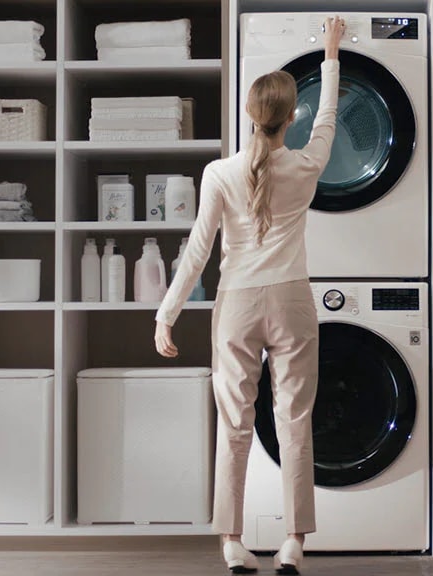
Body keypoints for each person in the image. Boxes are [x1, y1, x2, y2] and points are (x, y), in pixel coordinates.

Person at [154, 15, 346, 575]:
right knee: (295, 422)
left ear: (249, 116)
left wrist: (167, 316)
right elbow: (329, 118)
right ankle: (293, 543)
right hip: (292, 302)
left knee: (234, 426)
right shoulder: (307, 165)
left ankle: (233, 544)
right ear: (290, 119)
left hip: (236, 304)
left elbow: (197, 252)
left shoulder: (218, 174)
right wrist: (331, 55)